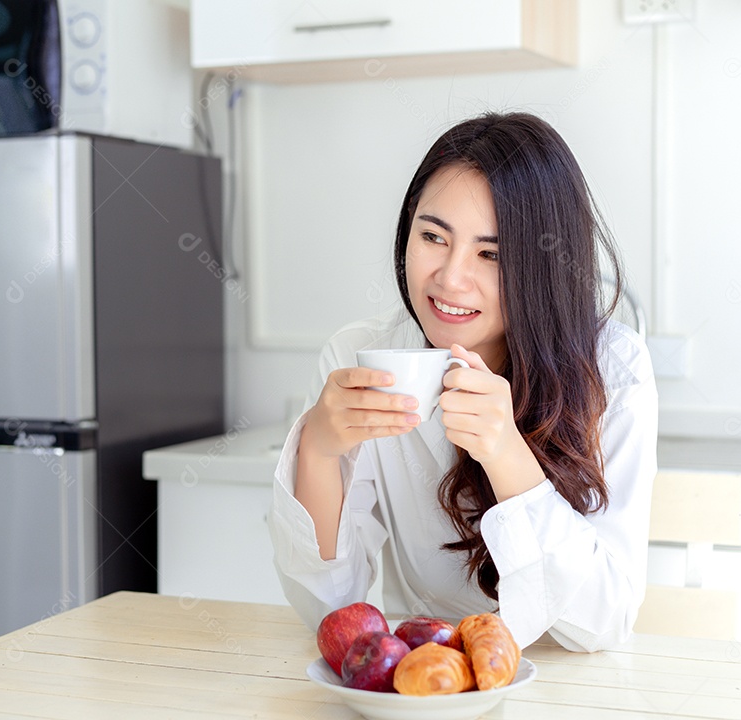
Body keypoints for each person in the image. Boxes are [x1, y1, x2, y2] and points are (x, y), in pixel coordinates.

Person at [267, 111, 658, 652]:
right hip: (435, 680)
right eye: (432, 236)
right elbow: (330, 609)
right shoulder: (360, 358)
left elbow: (604, 624)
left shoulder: (613, 368)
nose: (450, 278)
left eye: (491, 253)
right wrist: (317, 451)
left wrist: (507, 456)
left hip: (566, 683)